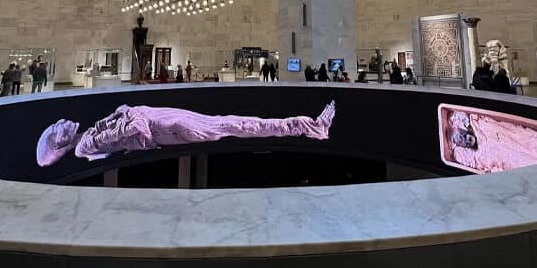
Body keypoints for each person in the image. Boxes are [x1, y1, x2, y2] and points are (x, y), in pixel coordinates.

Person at [37, 101, 336, 167]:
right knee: (237, 125)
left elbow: (126, 124)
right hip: (163, 127)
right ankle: (309, 126)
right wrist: (129, 114)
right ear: (60, 142)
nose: (61, 123)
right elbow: (135, 130)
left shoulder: (89, 135)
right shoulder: (86, 144)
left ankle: (308, 126)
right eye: (56, 129)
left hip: (160, 119)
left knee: (234, 123)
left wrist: (127, 112)